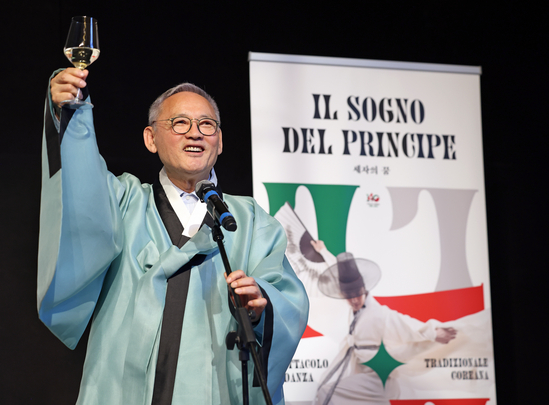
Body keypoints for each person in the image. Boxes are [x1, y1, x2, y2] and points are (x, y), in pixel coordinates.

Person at [37, 68, 309, 405]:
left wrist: (259, 303)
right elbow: (80, 190)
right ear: (151, 138)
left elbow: (285, 296)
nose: (194, 134)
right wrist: (70, 113)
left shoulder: (250, 220)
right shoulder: (124, 202)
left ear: (220, 141)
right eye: (179, 123)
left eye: (206, 125)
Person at [309, 242, 456, 405]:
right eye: (348, 295)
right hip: (363, 374)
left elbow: (406, 325)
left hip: (378, 379)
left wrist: (434, 333)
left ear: (364, 288)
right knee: (327, 391)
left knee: (326, 392)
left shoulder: (379, 313)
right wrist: (323, 251)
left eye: (357, 293)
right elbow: (339, 273)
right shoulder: (355, 310)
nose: (354, 300)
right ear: (342, 294)